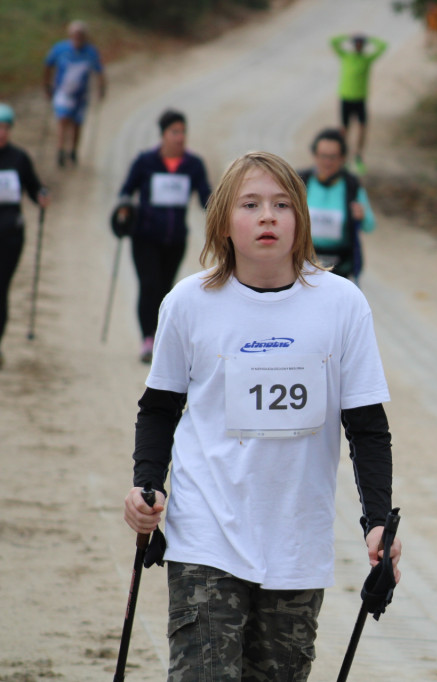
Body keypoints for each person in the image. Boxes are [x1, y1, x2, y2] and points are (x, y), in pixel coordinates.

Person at [122, 150, 401, 680]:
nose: (267, 216)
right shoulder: (188, 303)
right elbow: (159, 408)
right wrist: (145, 485)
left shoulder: (342, 304)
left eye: (280, 204)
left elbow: (367, 428)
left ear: (301, 217)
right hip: (205, 533)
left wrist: (378, 523)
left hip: (297, 542)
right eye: (250, 204)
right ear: (225, 221)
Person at [116, 109, 211, 363]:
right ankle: (147, 338)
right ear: (163, 135)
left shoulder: (193, 165)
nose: (180, 137)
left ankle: (160, 336)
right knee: (149, 285)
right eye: (174, 132)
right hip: (145, 237)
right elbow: (126, 190)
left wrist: (221, 211)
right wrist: (124, 208)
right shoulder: (145, 162)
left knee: (166, 289)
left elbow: (206, 197)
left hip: (175, 239)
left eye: (183, 132)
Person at [0, 104, 51, 370]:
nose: (2, 133)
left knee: (1, 288)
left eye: (6, 128)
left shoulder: (18, 159)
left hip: (10, 235)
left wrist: (41, 195)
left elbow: (33, 187)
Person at [297, 128, 377, 284]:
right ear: (315, 155)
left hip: (340, 265)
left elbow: (370, 225)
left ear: (342, 158)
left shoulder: (351, 185)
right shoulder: (301, 182)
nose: (327, 162)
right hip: (304, 262)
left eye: (333, 157)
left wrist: (362, 216)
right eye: (323, 156)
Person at [43, 20, 106, 167]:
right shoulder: (60, 49)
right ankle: (60, 149)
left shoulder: (91, 51)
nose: (78, 38)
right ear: (70, 35)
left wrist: (101, 89)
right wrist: (47, 86)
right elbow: (48, 65)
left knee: (77, 124)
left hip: (81, 96)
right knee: (63, 120)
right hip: (63, 92)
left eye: (81, 35)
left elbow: (99, 71)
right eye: (75, 35)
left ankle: (73, 150)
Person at [329, 32, 388, 174]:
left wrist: (370, 38)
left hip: (360, 99)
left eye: (361, 44)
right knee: (344, 130)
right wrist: (348, 36)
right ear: (354, 45)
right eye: (357, 43)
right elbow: (333, 41)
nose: (359, 46)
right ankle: (343, 159)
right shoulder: (346, 56)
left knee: (362, 128)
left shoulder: (367, 59)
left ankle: (358, 157)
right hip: (346, 98)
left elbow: (383, 46)